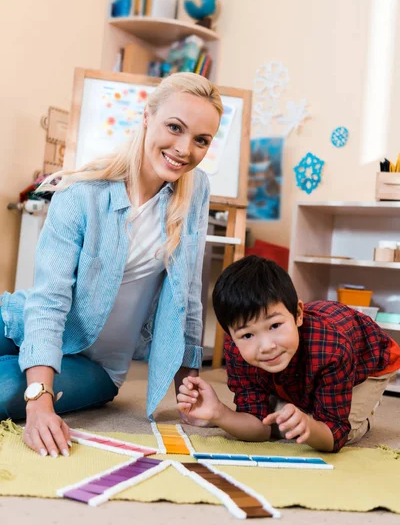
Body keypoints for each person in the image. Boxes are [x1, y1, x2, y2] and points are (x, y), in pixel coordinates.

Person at [0, 72, 223, 458]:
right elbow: (48, 300)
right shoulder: (80, 193)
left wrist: (189, 388)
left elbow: (188, 294)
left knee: (5, 391)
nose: (185, 149)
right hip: (24, 321)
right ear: (147, 117)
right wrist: (39, 402)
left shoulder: (196, 189)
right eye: (175, 127)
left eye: (201, 140)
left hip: (96, 366)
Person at [177, 255, 400, 452]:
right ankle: (309, 401)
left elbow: (335, 433)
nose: (266, 346)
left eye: (274, 326)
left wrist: (311, 427)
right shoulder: (237, 351)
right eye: (247, 335)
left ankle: (363, 414)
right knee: (280, 418)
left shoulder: (332, 349)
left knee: (339, 430)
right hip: (305, 364)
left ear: (298, 315)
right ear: (231, 336)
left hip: (370, 361)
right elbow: (259, 427)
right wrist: (218, 412)